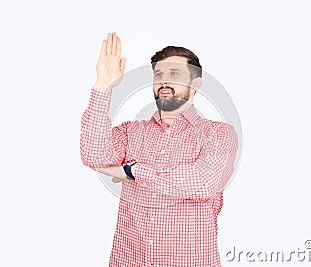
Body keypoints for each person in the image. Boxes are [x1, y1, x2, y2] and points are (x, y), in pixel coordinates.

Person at [80, 32, 238, 266]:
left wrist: (132, 171)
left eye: (174, 74)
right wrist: (103, 88)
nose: (164, 81)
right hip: (130, 260)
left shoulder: (218, 133)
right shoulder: (131, 132)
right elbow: (92, 154)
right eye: (159, 74)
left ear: (196, 83)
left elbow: (200, 185)